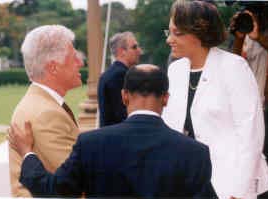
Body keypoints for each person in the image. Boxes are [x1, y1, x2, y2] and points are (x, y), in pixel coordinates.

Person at [8, 64, 217, 198]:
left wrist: (27, 153)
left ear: (124, 96)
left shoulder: (91, 144)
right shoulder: (194, 153)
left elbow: (54, 190)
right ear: (165, 98)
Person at [161, 1, 268, 199]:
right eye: (168, 32)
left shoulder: (234, 67)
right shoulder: (175, 71)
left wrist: (240, 191)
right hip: (187, 184)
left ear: (198, 32)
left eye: (177, 33)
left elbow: (251, 135)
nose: (169, 40)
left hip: (231, 185)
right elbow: (170, 130)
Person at [9, 25, 83, 197]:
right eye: (74, 58)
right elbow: (75, 183)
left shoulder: (44, 105)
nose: (80, 63)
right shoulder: (46, 114)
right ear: (53, 67)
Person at [97, 31, 142, 127]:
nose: (140, 51)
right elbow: (122, 114)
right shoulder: (120, 75)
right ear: (122, 51)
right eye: (134, 47)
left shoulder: (107, 74)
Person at [230, 2, 268, 104]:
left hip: (260, 99)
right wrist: (239, 37)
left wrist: (258, 37)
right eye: (246, 15)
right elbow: (234, 61)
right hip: (242, 96)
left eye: (254, 14)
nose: (250, 18)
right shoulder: (242, 34)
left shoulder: (262, 36)